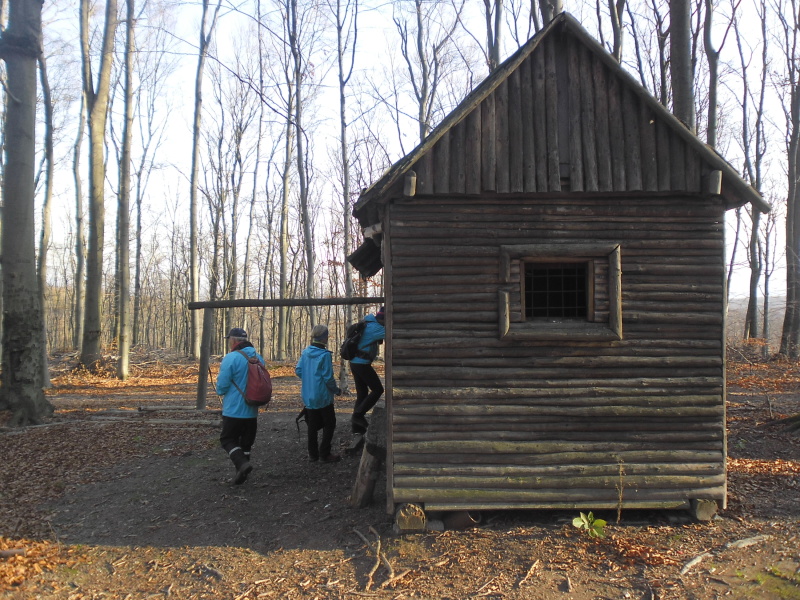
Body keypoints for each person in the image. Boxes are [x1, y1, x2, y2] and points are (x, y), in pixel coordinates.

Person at [216, 327, 265, 485]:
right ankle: (242, 474)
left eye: (229, 339)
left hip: (233, 409)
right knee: (246, 443)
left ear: (233, 340)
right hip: (252, 409)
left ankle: (242, 464)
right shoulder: (259, 358)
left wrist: (220, 390)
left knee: (227, 439)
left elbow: (222, 386)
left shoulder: (231, 358)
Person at [295, 324, 342, 463]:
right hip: (322, 396)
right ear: (324, 337)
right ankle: (324, 453)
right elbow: (328, 378)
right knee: (330, 423)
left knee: (313, 426)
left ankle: (313, 455)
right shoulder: (324, 355)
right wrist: (336, 390)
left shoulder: (305, 352)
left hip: (308, 395)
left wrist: (309, 378)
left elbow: (298, 370)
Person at [349, 306, 386, 434]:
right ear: (382, 319)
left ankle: (357, 428)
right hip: (361, 363)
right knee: (378, 389)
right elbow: (393, 333)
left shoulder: (368, 322)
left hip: (355, 362)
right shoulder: (375, 328)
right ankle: (358, 416)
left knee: (362, 394)